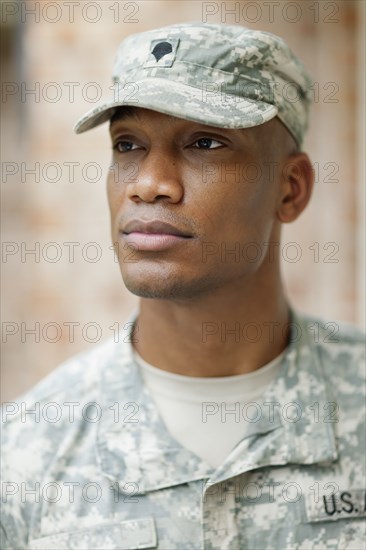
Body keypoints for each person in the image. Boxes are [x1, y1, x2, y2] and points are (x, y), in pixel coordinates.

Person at [1, 22, 365, 550]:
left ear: (291, 189)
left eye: (205, 143)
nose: (150, 183)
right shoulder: (26, 453)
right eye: (128, 145)